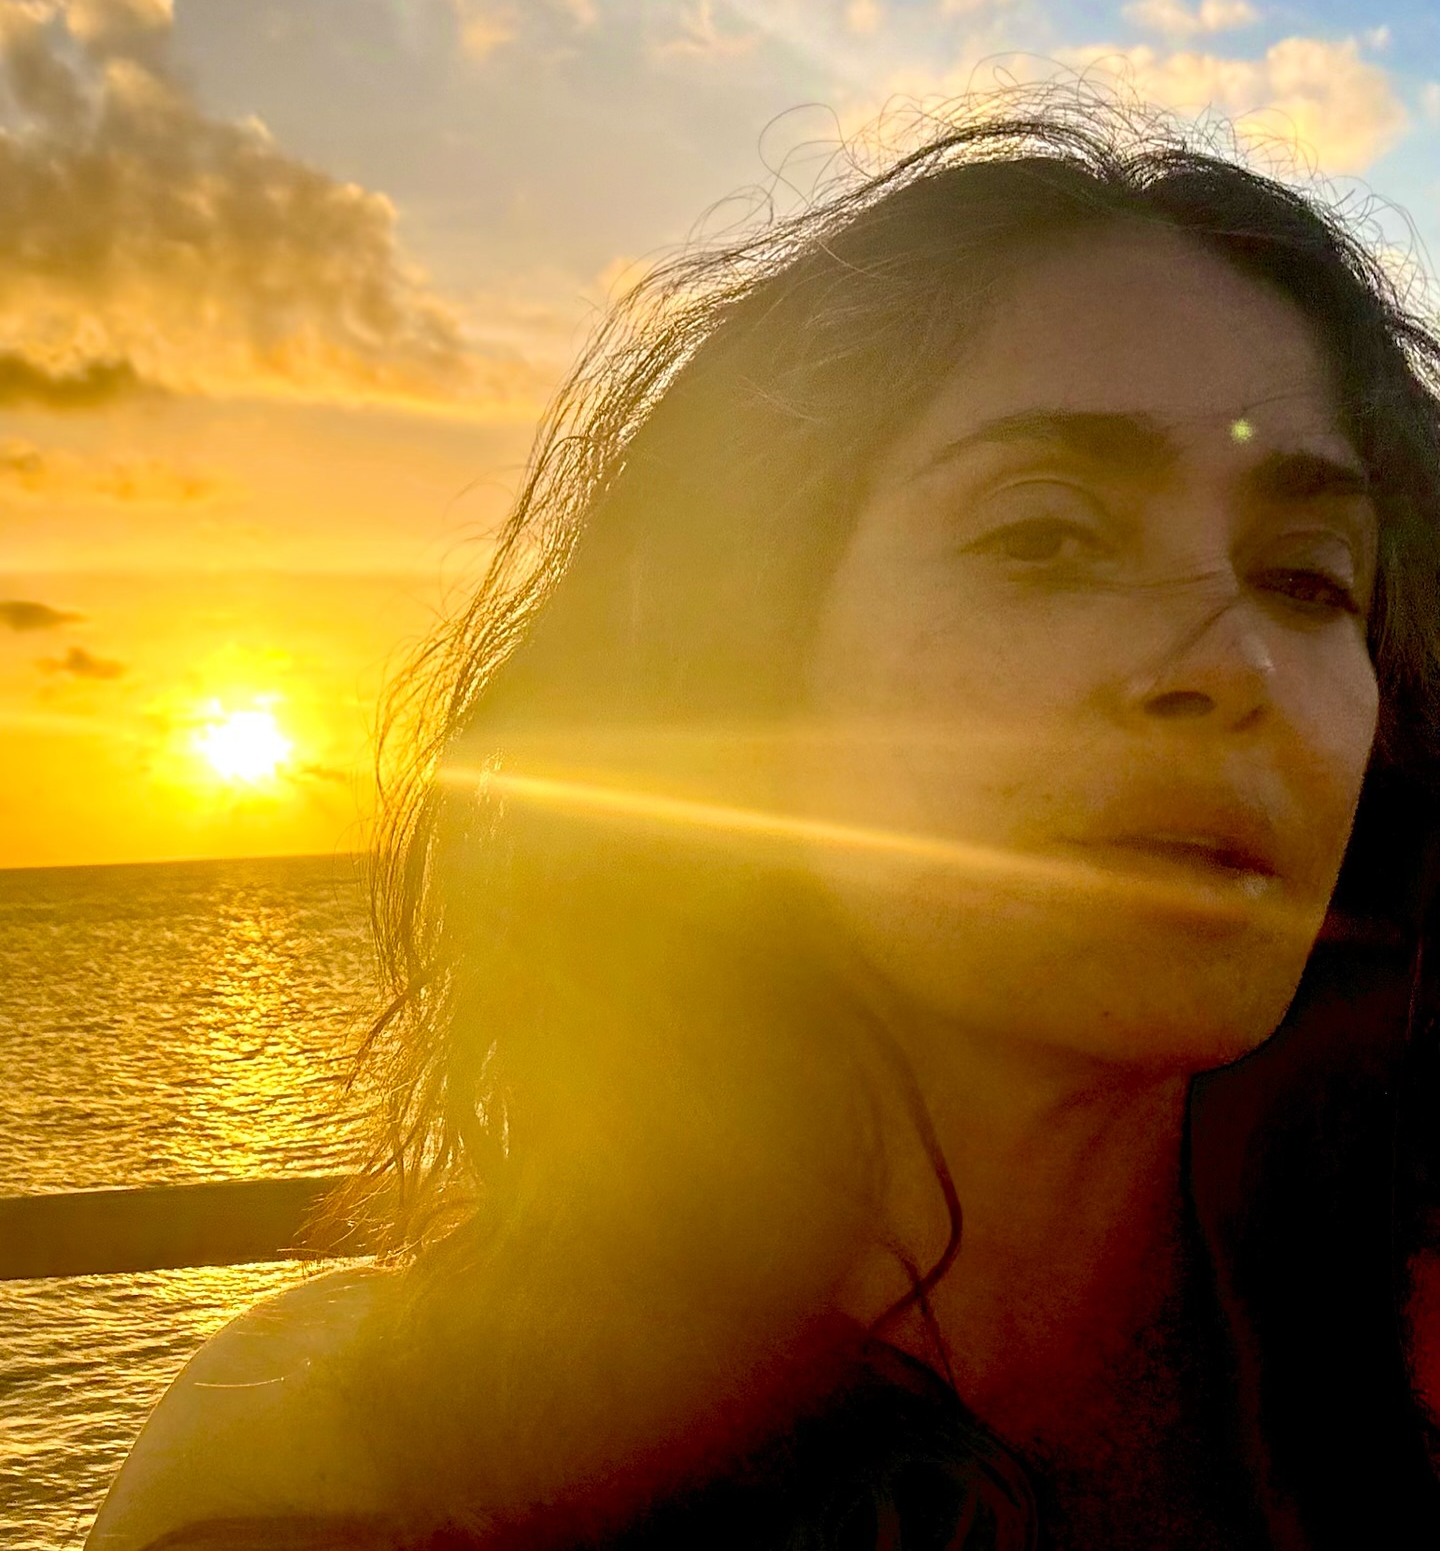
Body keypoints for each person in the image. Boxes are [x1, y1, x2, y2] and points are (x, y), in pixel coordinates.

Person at [89, 91, 1440, 1550]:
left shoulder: (1401, 1374)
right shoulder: (348, 1471)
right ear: (748, 654)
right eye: (1044, 535)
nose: (1234, 663)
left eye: (1307, 576)